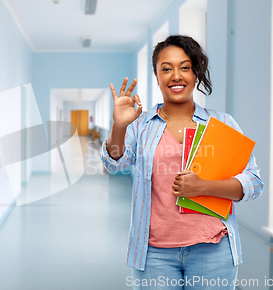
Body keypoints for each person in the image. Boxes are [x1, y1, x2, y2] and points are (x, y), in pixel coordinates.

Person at [100, 35, 264, 289]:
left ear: (195, 73)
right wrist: (119, 126)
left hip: (213, 250)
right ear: (157, 77)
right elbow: (113, 163)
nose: (176, 75)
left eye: (185, 67)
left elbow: (253, 182)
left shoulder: (222, 123)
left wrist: (204, 187)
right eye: (166, 69)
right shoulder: (141, 124)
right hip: (154, 254)